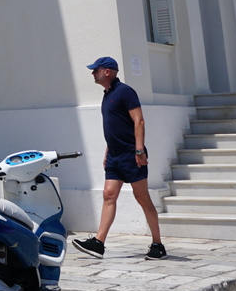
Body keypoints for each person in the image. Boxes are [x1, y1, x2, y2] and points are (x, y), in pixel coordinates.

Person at [71, 55, 166, 260]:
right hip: (114, 155)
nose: (92, 73)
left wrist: (139, 151)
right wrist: (107, 151)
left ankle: (158, 244)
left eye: (95, 70)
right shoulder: (107, 95)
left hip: (132, 155)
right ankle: (98, 243)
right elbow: (115, 127)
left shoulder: (125, 92)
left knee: (142, 197)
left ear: (107, 71)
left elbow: (138, 121)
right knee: (108, 194)